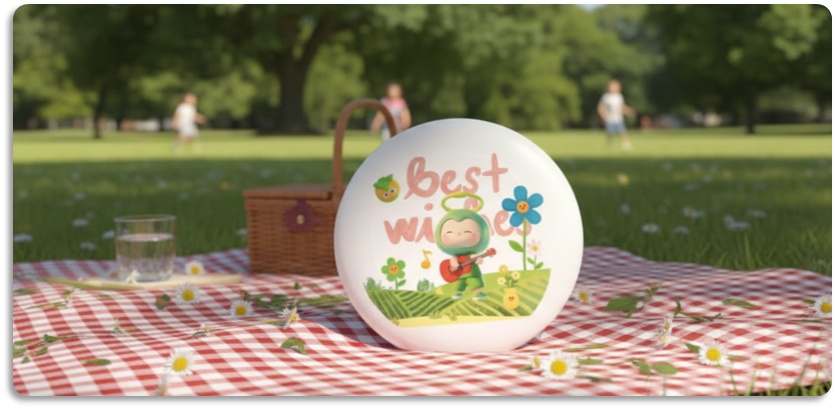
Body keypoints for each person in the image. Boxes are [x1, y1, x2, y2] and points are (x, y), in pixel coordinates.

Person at [597, 79, 635, 151]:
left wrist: (628, 111)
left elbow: (621, 107)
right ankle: (609, 144)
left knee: (622, 132)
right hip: (609, 119)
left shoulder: (619, 97)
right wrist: (603, 116)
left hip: (618, 118)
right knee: (610, 133)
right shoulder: (606, 97)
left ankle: (625, 145)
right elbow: (601, 107)